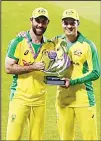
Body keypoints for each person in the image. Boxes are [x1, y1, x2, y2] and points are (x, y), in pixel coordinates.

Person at [5, 7, 55, 140]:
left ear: (47, 23)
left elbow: (56, 69)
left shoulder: (51, 45)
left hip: (40, 100)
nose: (40, 24)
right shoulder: (18, 42)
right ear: (31, 20)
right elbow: (8, 68)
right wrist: (33, 67)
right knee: (13, 138)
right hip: (20, 99)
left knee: (36, 138)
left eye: (43, 21)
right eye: (37, 20)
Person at [54, 9, 100, 140]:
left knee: (90, 138)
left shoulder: (88, 45)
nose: (69, 26)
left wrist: (72, 81)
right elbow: (40, 47)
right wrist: (25, 35)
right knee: (65, 138)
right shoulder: (56, 42)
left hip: (84, 100)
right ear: (62, 23)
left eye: (72, 22)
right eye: (66, 22)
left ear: (77, 23)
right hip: (63, 100)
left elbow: (96, 72)